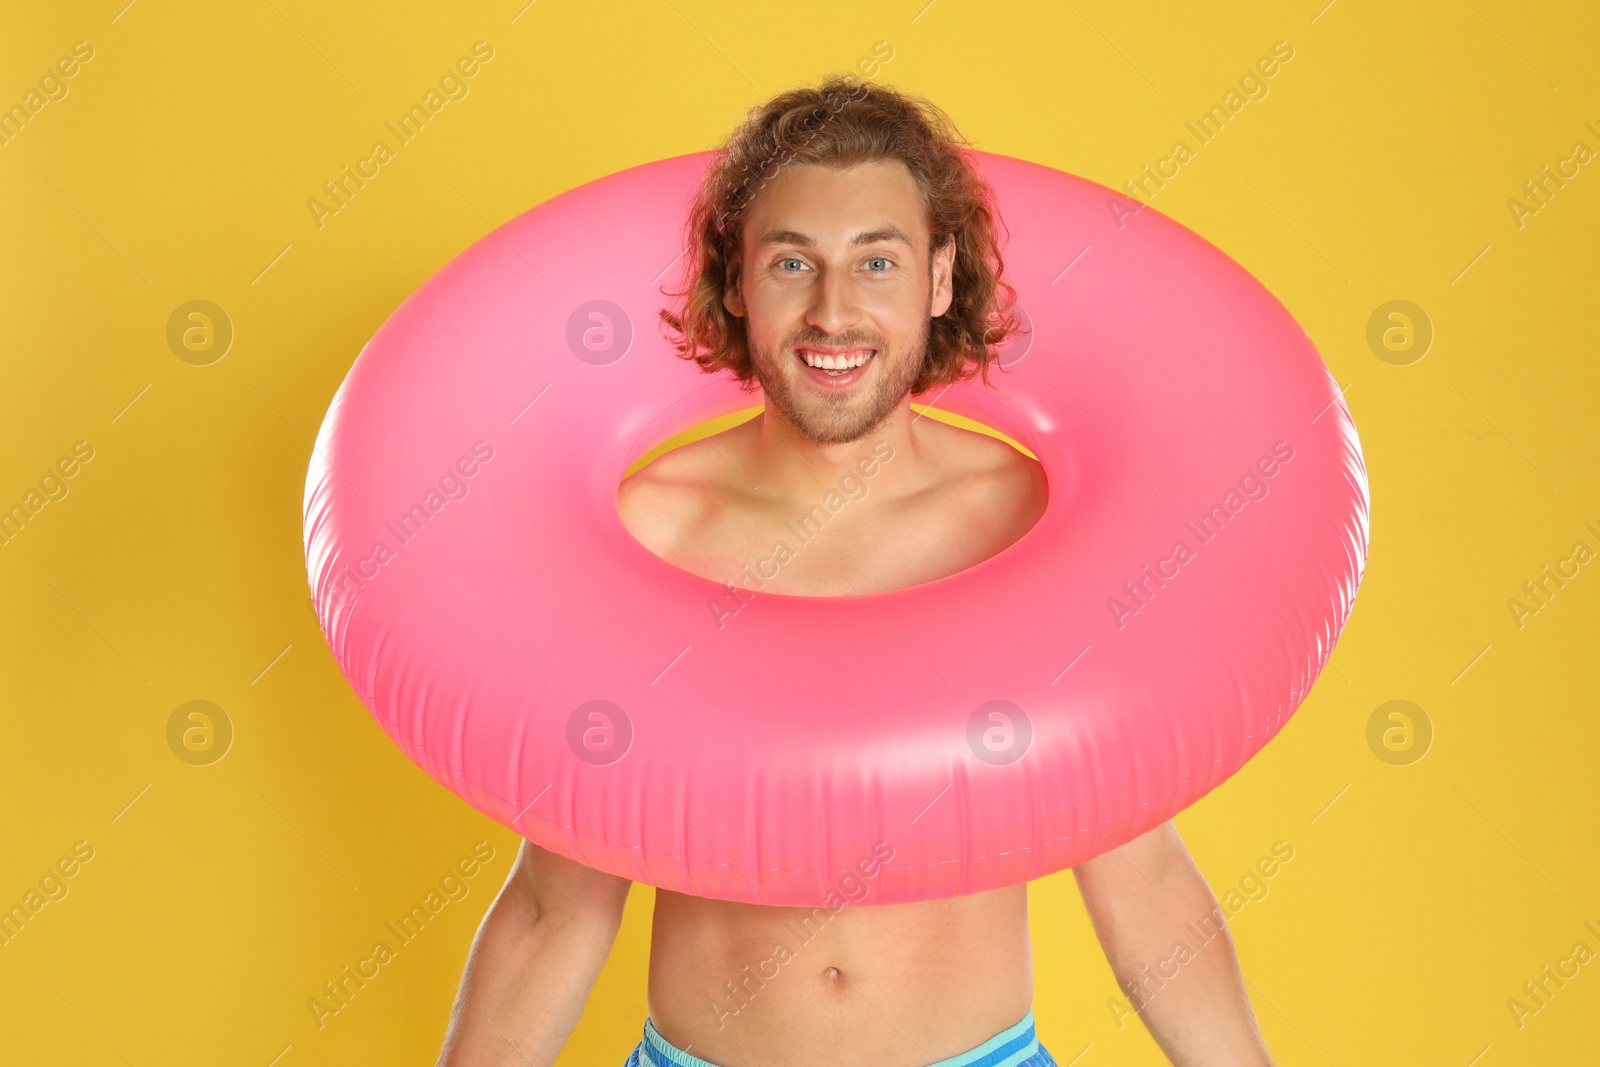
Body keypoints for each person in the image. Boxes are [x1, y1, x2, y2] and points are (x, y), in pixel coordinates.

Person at [436, 75, 1276, 1067]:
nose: (833, 312)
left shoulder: (1018, 521)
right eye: (793, 261)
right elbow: (556, 899)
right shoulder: (653, 530)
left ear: (934, 278)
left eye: (876, 261)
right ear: (739, 280)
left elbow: (1137, 873)